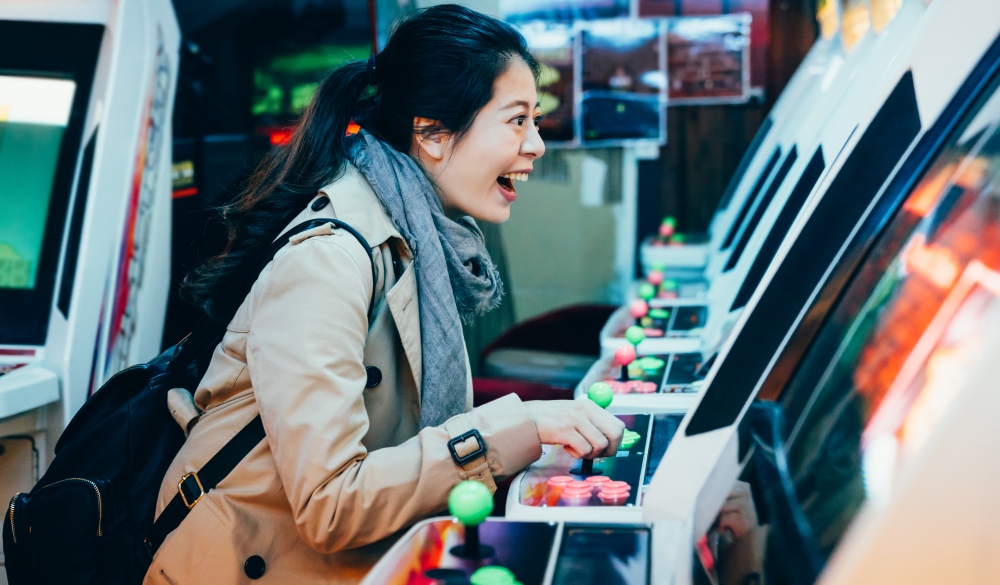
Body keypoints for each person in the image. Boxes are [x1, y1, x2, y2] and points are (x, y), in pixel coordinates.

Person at [144, 5, 625, 584]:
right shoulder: (329, 259)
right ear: (431, 133)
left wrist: (528, 434)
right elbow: (331, 505)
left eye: (536, 121)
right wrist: (520, 427)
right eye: (517, 120)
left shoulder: (416, 236)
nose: (536, 146)